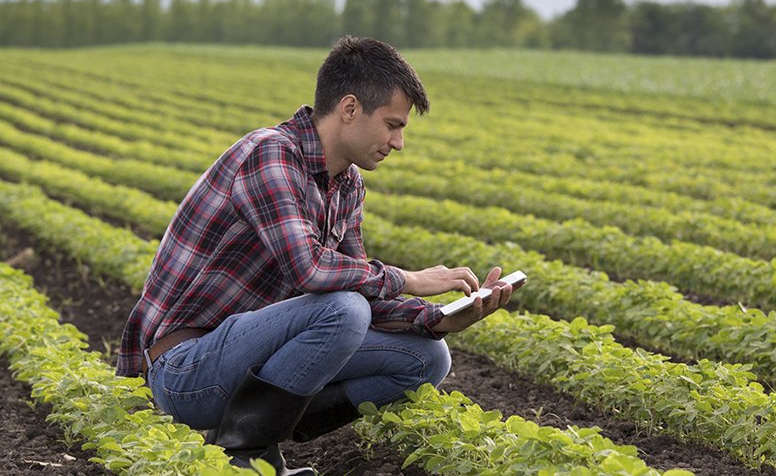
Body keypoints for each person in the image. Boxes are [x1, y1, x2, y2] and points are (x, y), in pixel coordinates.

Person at [116, 36, 516, 475]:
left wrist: (438, 319)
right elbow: (312, 270)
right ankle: (247, 457)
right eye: (392, 124)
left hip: (248, 361)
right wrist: (410, 278)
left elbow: (361, 285)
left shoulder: (346, 185)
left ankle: (250, 435)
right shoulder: (270, 154)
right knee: (342, 310)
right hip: (186, 370)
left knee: (427, 358)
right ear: (349, 109)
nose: (398, 142)